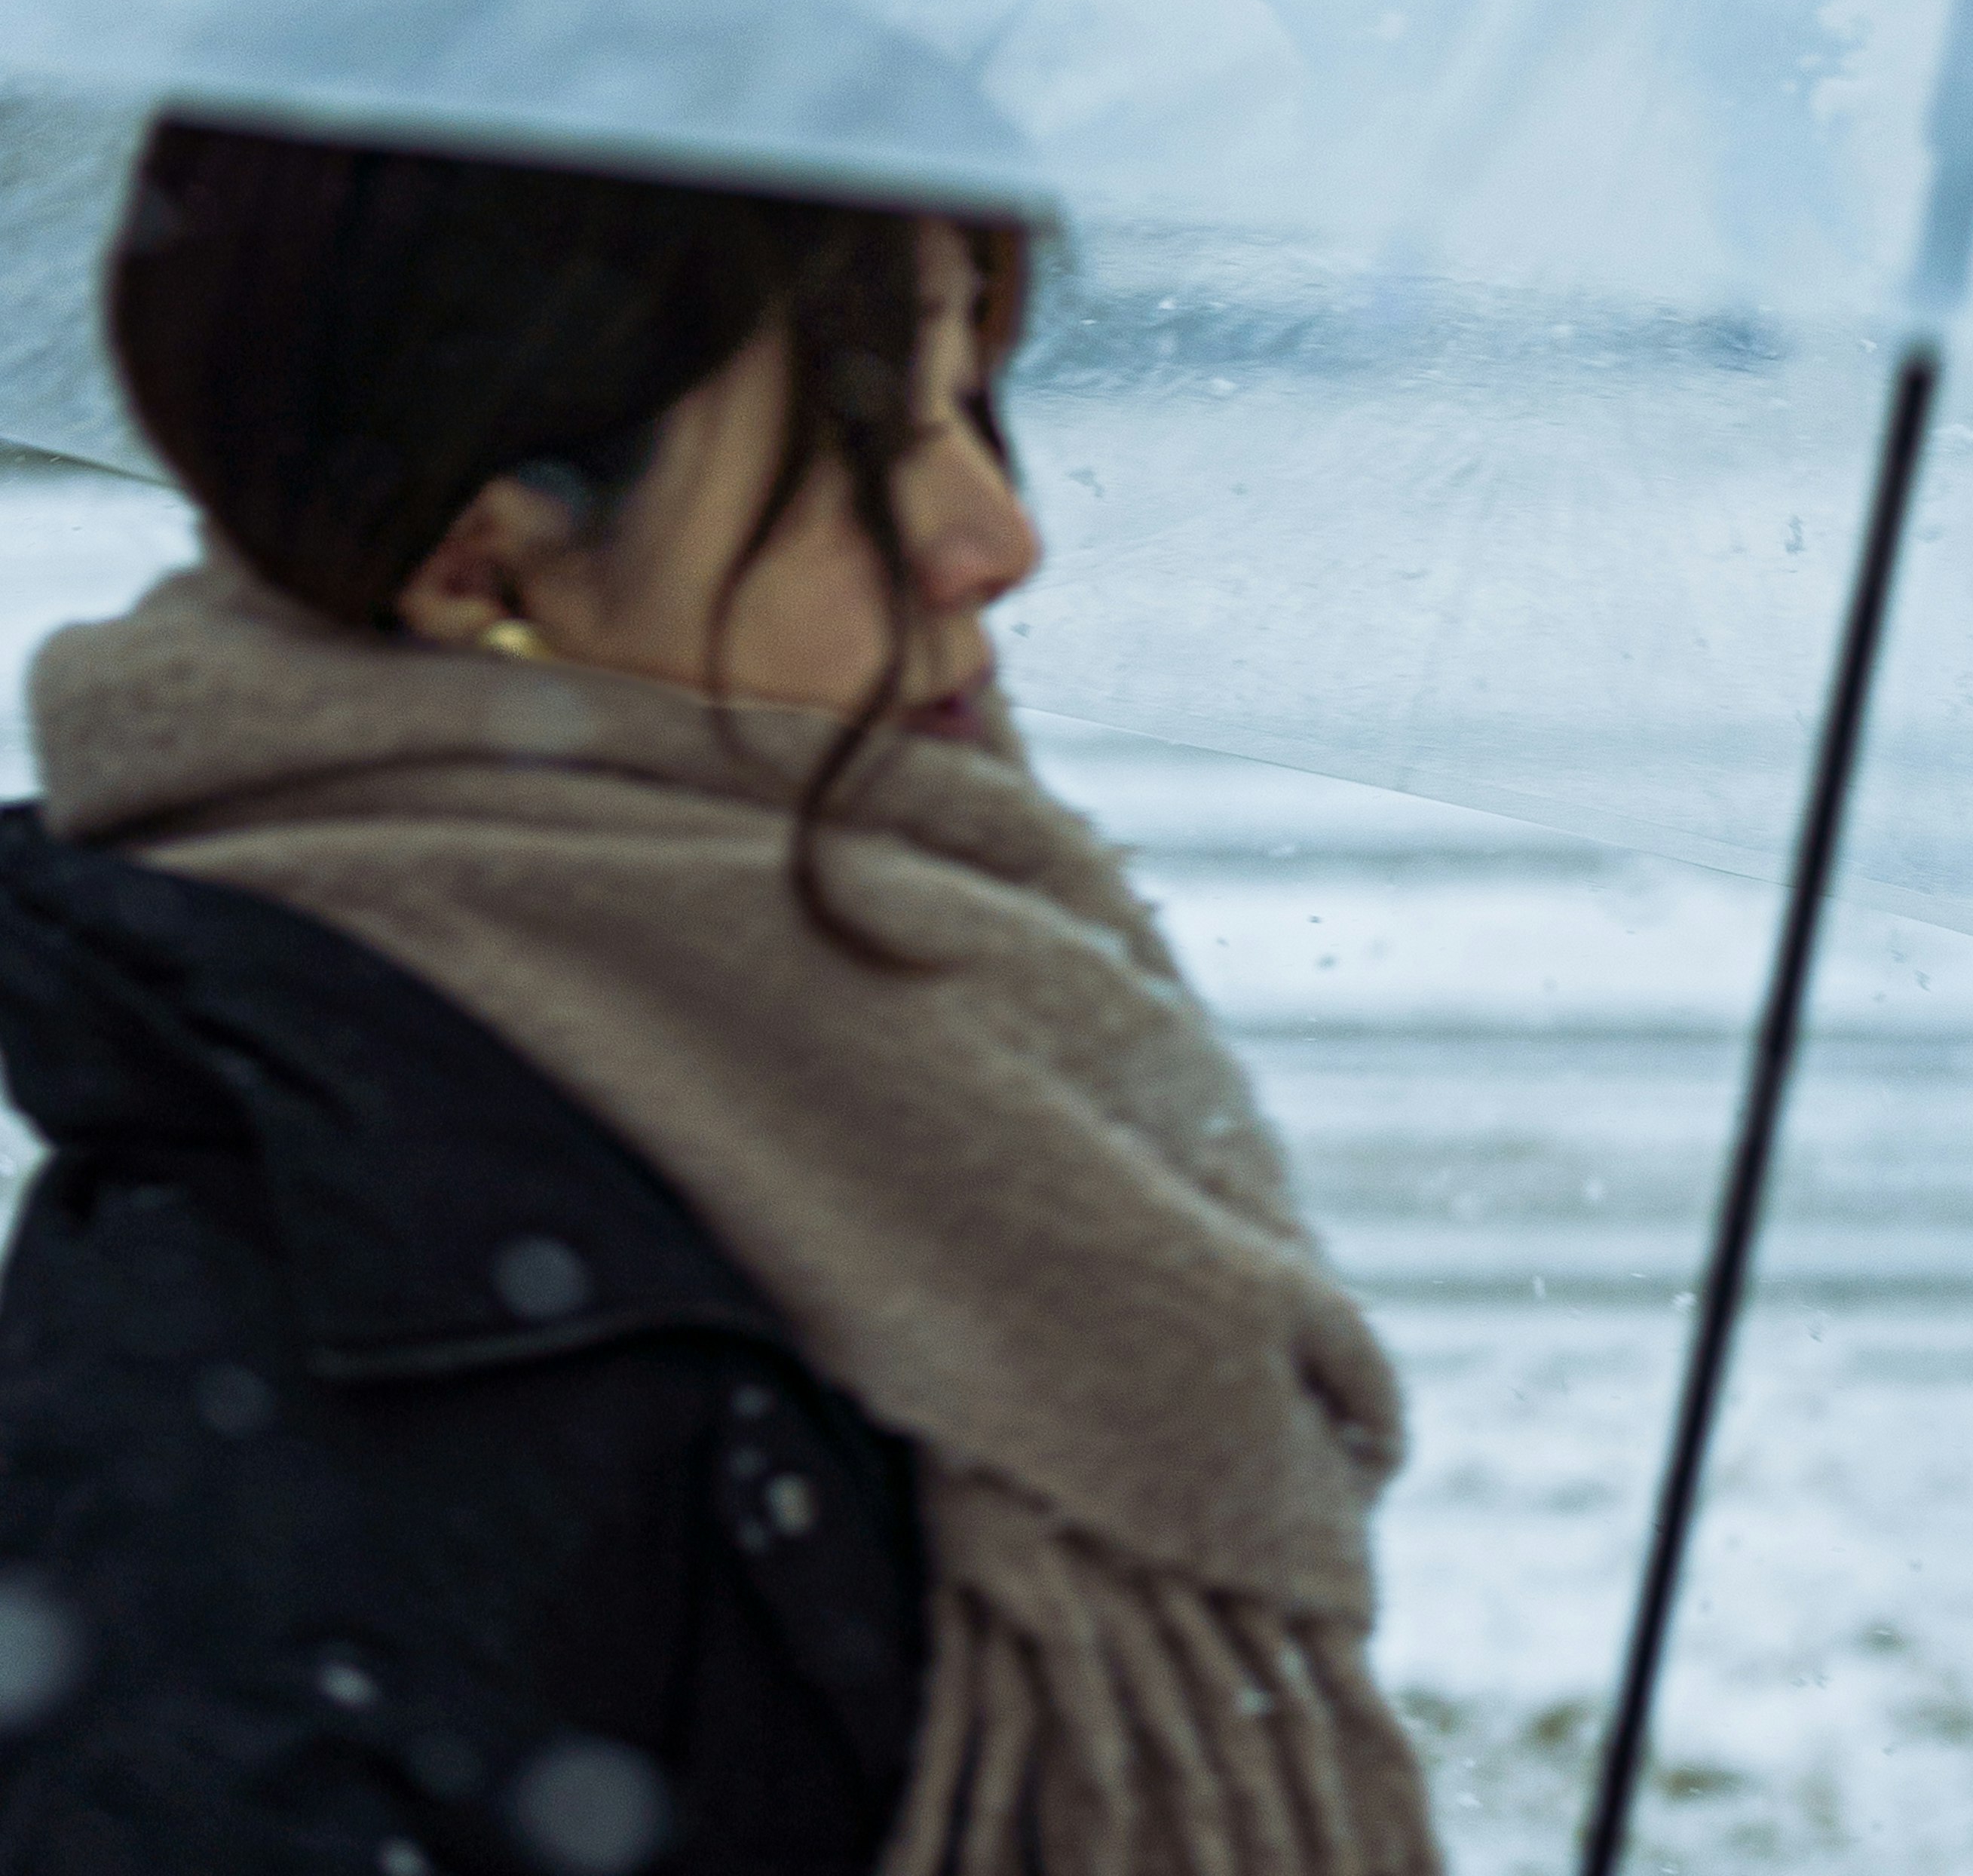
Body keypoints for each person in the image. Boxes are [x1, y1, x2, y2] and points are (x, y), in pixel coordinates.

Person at [0, 124, 1439, 1876]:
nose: (997, 537)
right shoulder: (273, 1348)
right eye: (867, 433)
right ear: (484, 561)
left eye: (976, 398)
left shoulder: (876, 1048)